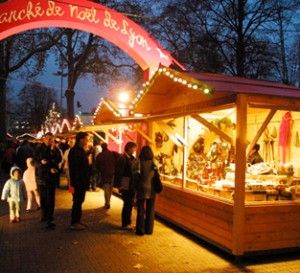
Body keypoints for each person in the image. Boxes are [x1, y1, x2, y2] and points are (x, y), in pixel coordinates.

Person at [33, 132, 62, 229]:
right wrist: (40, 163)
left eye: (51, 139)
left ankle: (50, 217)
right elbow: (34, 162)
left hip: (51, 177)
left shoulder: (55, 149)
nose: (49, 140)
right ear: (44, 139)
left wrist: (53, 151)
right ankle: (43, 215)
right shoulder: (39, 149)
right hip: (41, 177)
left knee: (50, 198)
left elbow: (58, 159)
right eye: (47, 138)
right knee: (43, 198)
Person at [68, 132, 91, 230]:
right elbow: (75, 168)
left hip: (81, 180)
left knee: (79, 201)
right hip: (79, 181)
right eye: (86, 139)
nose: (87, 141)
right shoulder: (75, 151)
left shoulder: (80, 151)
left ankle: (77, 220)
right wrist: (76, 182)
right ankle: (74, 222)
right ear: (81, 140)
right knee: (77, 201)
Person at [114, 141, 138, 231]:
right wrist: (119, 185)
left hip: (131, 184)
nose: (135, 150)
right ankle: (125, 223)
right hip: (126, 184)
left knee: (130, 204)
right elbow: (118, 173)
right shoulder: (122, 159)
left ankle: (128, 222)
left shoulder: (132, 158)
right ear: (129, 148)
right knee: (127, 204)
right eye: (134, 148)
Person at [135, 145, 156, 236]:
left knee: (140, 209)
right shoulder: (154, 163)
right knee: (150, 210)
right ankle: (149, 230)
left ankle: (140, 230)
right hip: (152, 189)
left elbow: (135, 176)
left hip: (141, 188)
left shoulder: (139, 163)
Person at [95, 143, 117, 209]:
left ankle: (107, 202)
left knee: (106, 189)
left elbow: (97, 165)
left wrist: (100, 170)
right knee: (110, 188)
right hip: (112, 173)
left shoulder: (100, 155)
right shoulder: (112, 154)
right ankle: (108, 201)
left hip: (104, 174)